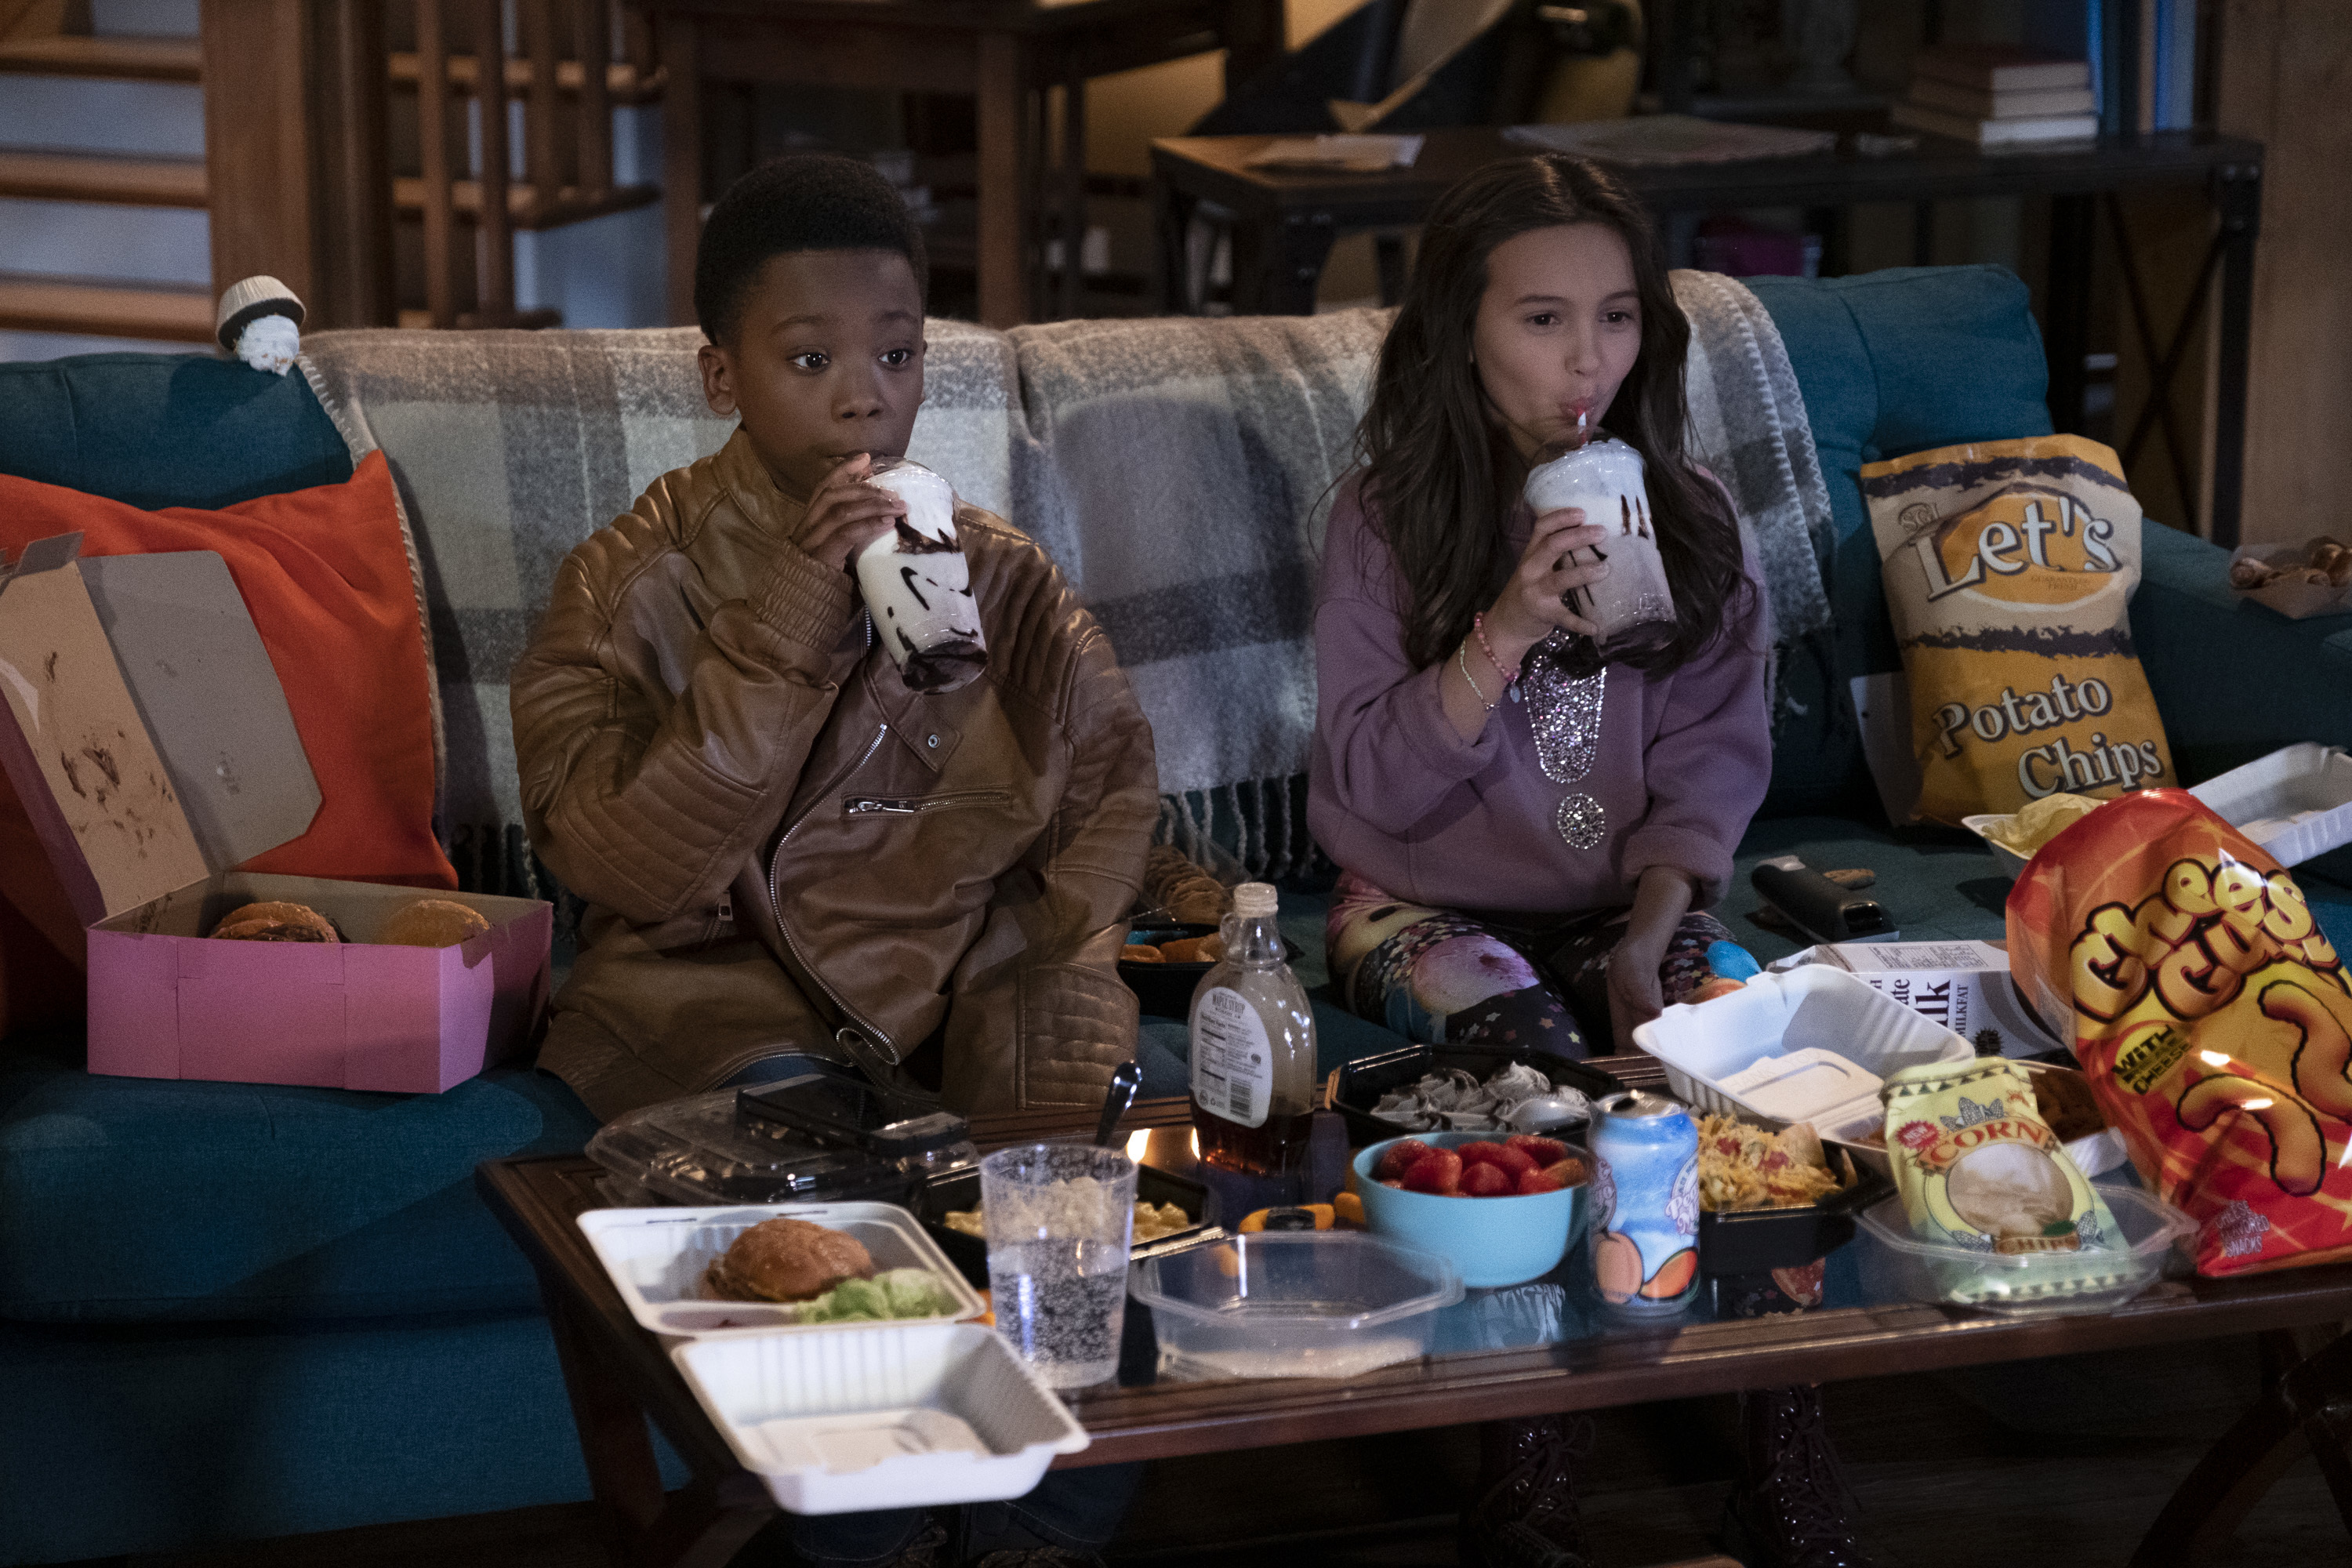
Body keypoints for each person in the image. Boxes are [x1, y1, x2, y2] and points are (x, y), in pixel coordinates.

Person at [510, 153, 1154, 1567]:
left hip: (965, 998)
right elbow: (626, 865)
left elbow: (1107, 798)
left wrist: (1053, 971)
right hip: (719, 1010)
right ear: (720, 377)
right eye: (810, 360)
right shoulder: (627, 582)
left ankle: (1030, 1537)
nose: (866, 398)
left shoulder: (1001, 574)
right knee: (830, 1296)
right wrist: (794, 613)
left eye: (898, 355)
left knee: (1081, 1270)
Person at [1307, 154, 1875, 1568]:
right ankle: (1529, 1475)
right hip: (1416, 904)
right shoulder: (1387, 520)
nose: (1588, 361)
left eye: (1616, 318)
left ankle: (1786, 1460)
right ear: (1460, 330)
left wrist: (1652, 924)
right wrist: (1502, 627)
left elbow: (1713, 762)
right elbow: (1369, 783)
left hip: (1623, 898)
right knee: (1533, 1069)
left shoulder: (1690, 516)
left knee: (1740, 1056)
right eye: (1543, 319)